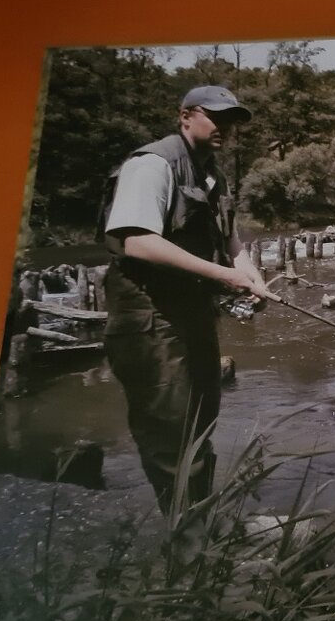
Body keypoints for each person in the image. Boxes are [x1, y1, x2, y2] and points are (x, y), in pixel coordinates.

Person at [102, 85, 279, 514]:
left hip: (192, 311)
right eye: (215, 117)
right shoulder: (152, 164)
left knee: (201, 421)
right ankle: (189, 544)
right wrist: (224, 276)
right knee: (171, 432)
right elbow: (137, 242)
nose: (226, 128)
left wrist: (250, 275)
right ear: (185, 116)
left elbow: (232, 241)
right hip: (148, 317)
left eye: (232, 121)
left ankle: (200, 525)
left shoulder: (213, 173)